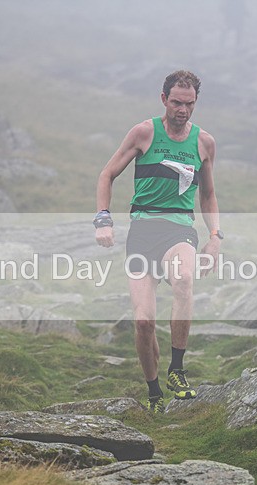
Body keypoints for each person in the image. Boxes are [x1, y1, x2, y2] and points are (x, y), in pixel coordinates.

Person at [93, 70, 222, 414]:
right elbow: (107, 174)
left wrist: (214, 237)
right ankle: (153, 392)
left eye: (189, 104)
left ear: (196, 102)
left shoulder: (204, 143)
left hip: (179, 229)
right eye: (176, 102)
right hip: (142, 232)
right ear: (164, 99)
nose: (183, 110)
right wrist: (103, 218)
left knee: (184, 279)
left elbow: (208, 195)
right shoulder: (144, 133)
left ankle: (176, 370)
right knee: (143, 323)